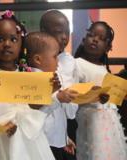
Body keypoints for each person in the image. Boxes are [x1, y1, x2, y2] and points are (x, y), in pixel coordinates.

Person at [0, 10, 55, 160]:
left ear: (21, 44)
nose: (6, 44)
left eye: (13, 39)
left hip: (26, 134)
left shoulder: (27, 73)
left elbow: (33, 106)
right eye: (0, 39)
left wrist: (49, 91)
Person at [74, 21, 127, 160]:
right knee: (93, 153)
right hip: (91, 121)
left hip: (109, 122)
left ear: (108, 47)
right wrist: (94, 96)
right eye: (92, 35)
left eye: (102, 39)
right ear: (84, 39)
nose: (95, 39)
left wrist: (120, 95)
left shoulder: (104, 68)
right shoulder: (77, 64)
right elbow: (73, 92)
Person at [40, 9, 79, 160]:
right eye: (58, 32)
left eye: (67, 32)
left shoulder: (70, 61)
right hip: (40, 134)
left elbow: (70, 112)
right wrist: (58, 96)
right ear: (44, 32)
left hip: (60, 136)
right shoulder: (34, 60)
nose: (64, 37)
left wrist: (64, 137)